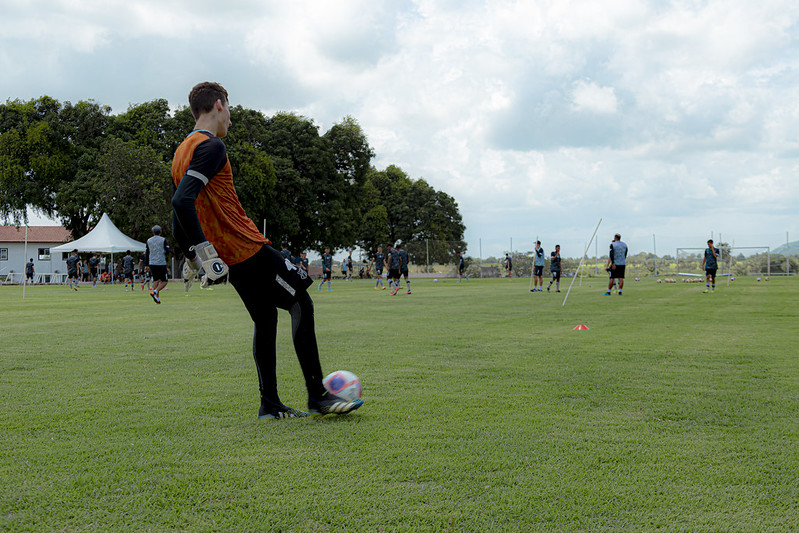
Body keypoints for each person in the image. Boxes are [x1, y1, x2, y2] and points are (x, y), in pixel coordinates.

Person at [171, 81, 361, 418]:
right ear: (218, 104)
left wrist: (194, 256)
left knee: (266, 317)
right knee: (301, 301)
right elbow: (181, 201)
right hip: (246, 248)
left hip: (230, 259)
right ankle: (318, 396)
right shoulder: (211, 146)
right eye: (229, 107)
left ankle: (270, 404)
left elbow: (178, 216)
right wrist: (204, 253)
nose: (230, 116)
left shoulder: (180, 153)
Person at [145, 225, 170, 304]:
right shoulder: (164, 240)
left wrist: (146, 265)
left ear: (153, 232)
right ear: (161, 232)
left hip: (152, 263)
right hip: (161, 262)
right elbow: (167, 251)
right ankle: (155, 292)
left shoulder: (148, 240)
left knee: (155, 280)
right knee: (164, 281)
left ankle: (157, 299)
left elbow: (147, 253)